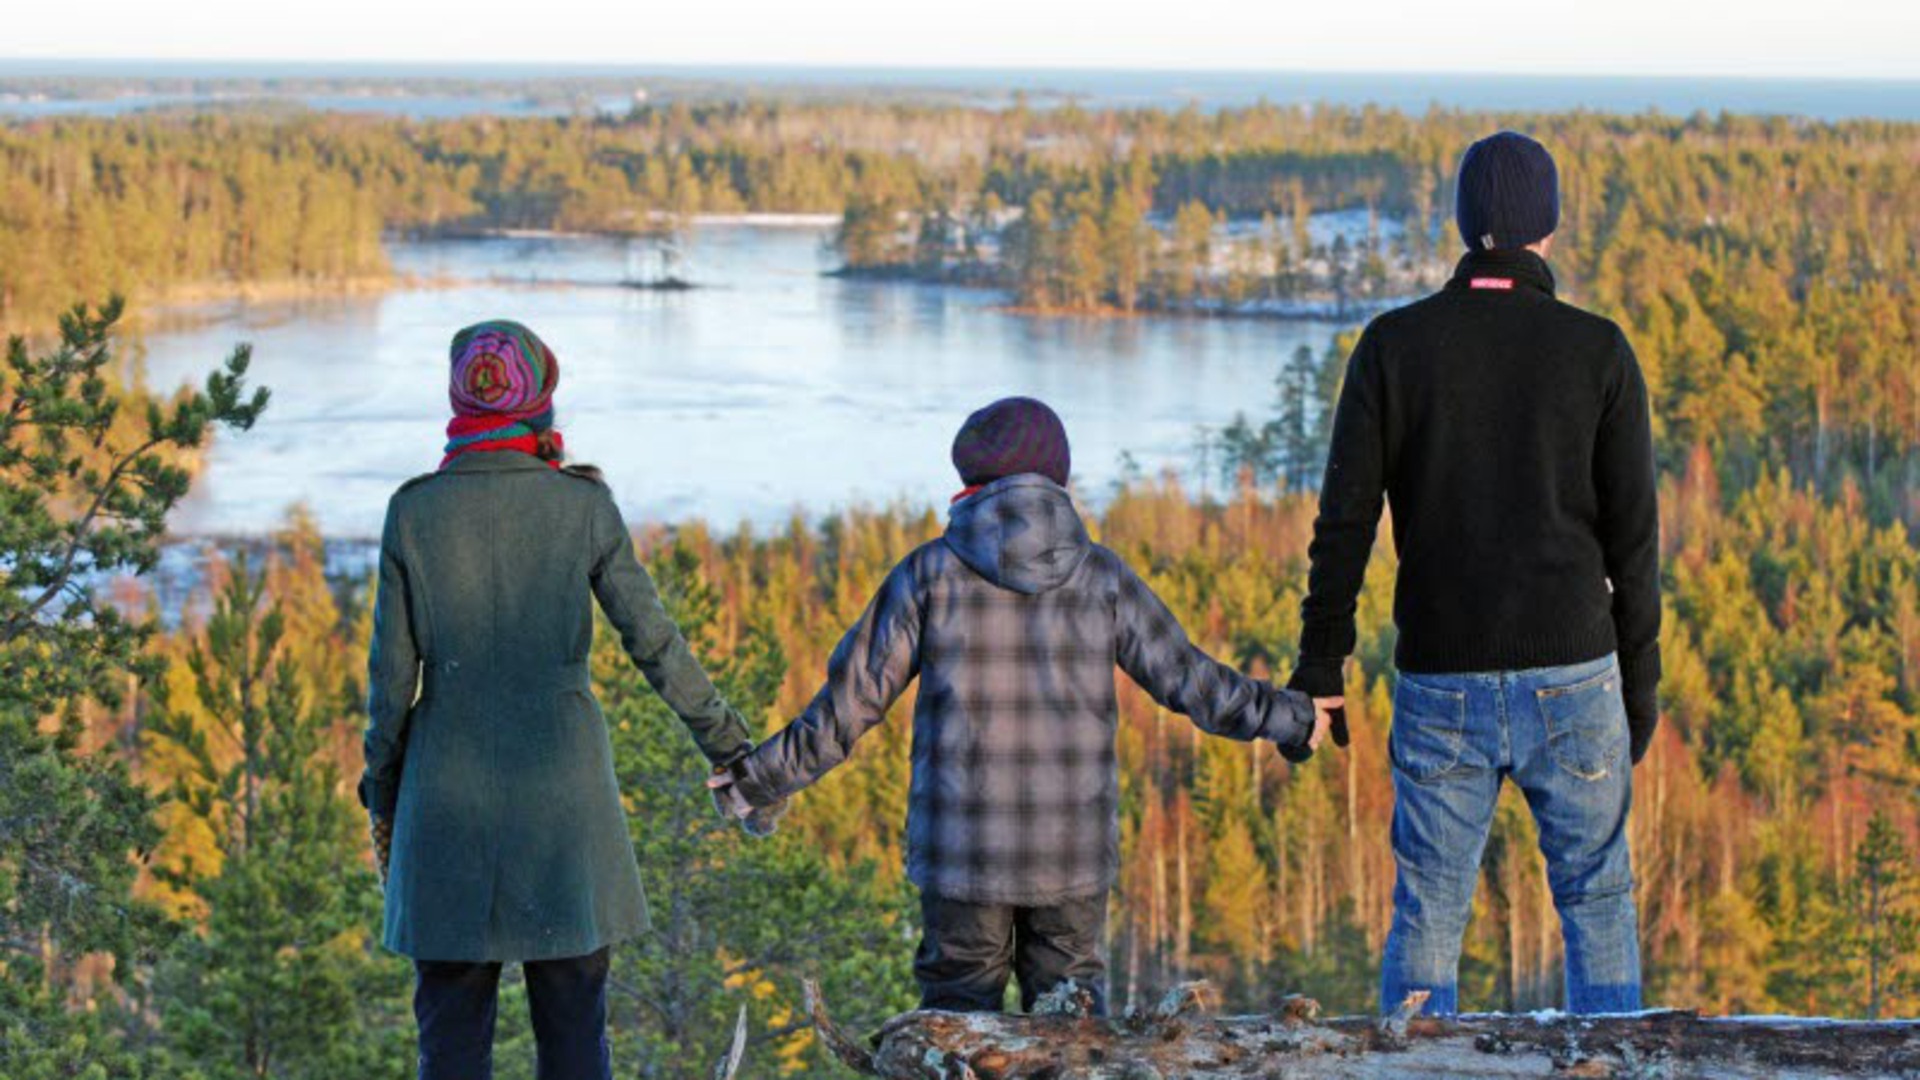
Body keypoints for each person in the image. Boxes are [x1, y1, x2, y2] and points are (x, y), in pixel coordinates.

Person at [707, 396, 1333, 1015]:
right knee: (1070, 1038)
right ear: (1056, 477)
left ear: (970, 479)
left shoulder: (929, 574)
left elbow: (847, 709)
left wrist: (754, 782)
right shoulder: (1101, 577)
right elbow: (1194, 684)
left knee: (956, 1034)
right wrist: (1294, 717)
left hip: (961, 861)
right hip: (1072, 857)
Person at [1287, 132, 1661, 1016]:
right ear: (1551, 223)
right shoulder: (1597, 349)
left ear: (1462, 223)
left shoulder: (1393, 345)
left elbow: (1345, 523)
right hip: (1575, 673)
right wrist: (1638, 686)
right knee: (1598, 900)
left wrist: (1320, 667)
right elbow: (1635, 544)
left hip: (1441, 677)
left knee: (1427, 910)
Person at [360, 320, 768, 1080]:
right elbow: (656, 644)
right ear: (540, 395)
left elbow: (389, 685)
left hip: (444, 800)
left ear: (458, 399)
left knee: (449, 1044)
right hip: (563, 798)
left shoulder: (412, 512)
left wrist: (383, 794)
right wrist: (731, 748)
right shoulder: (582, 505)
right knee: (576, 1035)